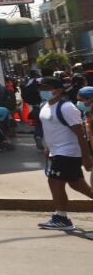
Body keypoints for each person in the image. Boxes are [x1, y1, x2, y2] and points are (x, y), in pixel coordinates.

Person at [36, 76, 93, 230]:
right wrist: (48, 148)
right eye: (41, 88)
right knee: (76, 184)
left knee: (54, 182)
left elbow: (80, 134)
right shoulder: (44, 106)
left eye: (47, 89)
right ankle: (61, 217)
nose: (43, 91)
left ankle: (61, 217)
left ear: (59, 91)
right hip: (56, 151)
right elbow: (51, 130)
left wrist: (86, 157)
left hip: (68, 152)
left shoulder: (67, 107)